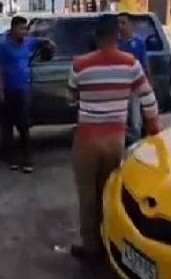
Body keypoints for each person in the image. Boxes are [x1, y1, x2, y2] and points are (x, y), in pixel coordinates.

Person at [67, 14, 161, 262]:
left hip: (87, 140)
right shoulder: (130, 64)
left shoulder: (80, 64)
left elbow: (71, 98)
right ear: (117, 35)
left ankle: (91, 246)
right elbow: (148, 98)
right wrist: (155, 131)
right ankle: (109, 241)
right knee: (108, 193)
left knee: (87, 195)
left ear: (96, 36)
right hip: (115, 140)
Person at [0, 15, 51, 173]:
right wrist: (0, 92)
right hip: (9, 90)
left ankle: (27, 159)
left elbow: (41, 41)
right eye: (21, 29)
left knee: (24, 126)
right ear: (13, 29)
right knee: (8, 126)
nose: (24, 32)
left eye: (26, 29)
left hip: (24, 91)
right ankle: (11, 159)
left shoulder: (28, 42)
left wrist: (49, 43)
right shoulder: (2, 47)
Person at [116, 13, 149, 145]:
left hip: (135, 87)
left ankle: (136, 144)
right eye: (118, 24)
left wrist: (146, 83)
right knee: (120, 119)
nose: (120, 26)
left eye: (123, 23)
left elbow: (144, 64)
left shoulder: (139, 42)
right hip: (120, 87)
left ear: (130, 25)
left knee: (136, 119)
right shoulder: (116, 44)